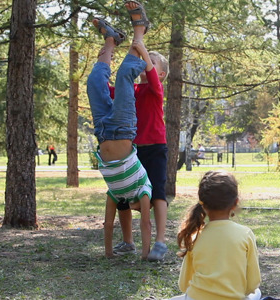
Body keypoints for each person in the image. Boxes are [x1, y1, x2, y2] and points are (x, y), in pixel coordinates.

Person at [86, 1, 154, 260]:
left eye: (131, 209)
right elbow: (146, 223)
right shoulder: (144, 191)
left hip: (102, 131)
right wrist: (146, 255)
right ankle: (140, 31)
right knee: (126, 74)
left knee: (94, 82)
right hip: (124, 129)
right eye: (135, 209)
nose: (134, 210)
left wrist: (108, 253)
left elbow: (107, 223)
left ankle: (111, 42)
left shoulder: (116, 194)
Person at [111, 0, 170, 262]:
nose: (148, 62)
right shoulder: (133, 90)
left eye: (153, 62)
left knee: (157, 192)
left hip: (155, 147)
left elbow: (149, 72)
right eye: (147, 59)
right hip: (132, 149)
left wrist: (142, 47)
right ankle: (127, 241)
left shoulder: (156, 90)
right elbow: (116, 87)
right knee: (122, 193)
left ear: (162, 73)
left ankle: (159, 242)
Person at [169, 171, 262, 300]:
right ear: (235, 203)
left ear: (203, 204)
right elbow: (252, 284)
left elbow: (184, 285)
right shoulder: (245, 234)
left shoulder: (196, 235)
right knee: (256, 293)